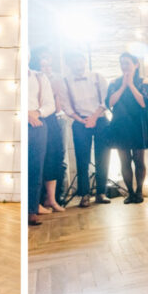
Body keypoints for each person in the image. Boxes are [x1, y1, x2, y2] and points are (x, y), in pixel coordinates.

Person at [59, 52, 111, 207]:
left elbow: (105, 101)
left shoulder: (97, 77)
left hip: (100, 119)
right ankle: (84, 194)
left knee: (103, 156)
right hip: (80, 122)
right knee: (82, 159)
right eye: (74, 63)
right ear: (70, 65)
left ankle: (101, 192)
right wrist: (81, 119)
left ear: (84, 62)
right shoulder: (65, 82)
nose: (78, 65)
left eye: (80, 62)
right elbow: (66, 106)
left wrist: (94, 117)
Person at [106, 53, 148, 204]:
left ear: (136, 64)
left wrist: (131, 85)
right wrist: (123, 86)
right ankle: (130, 193)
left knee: (139, 160)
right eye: (122, 63)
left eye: (127, 63)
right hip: (120, 124)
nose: (124, 66)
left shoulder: (143, 82)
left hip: (138, 124)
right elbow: (110, 103)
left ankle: (139, 192)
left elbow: (144, 103)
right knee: (124, 161)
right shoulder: (114, 82)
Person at [28, 48, 65, 226]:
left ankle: (42, 204)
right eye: (43, 64)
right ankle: (35, 204)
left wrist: (36, 112)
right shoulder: (28, 77)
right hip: (30, 121)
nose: (47, 68)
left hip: (44, 122)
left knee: (46, 162)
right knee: (33, 164)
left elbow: (54, 106)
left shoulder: (44, 79)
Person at [37, 49, 68, 210]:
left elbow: (58, 107)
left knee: (56, 158)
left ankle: (53, 199)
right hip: (40, 120)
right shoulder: (34, 80)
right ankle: (39, 200)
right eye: (43, 66)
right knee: (41, 159)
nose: (47, 69)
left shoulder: (56, 80)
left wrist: (55, 92)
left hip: (54, 120)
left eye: (49, 66)